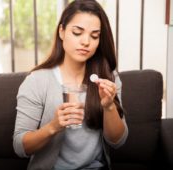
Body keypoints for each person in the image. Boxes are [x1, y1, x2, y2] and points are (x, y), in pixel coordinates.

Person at [13, 0, 128, 169]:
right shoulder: (37, 81)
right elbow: (20, 146)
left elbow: (118, 141)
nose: (86, 42)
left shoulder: (108, 78)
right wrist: (52, 127)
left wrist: (109, 106)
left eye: (94, 35)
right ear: (62, 31)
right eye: (77, 32)